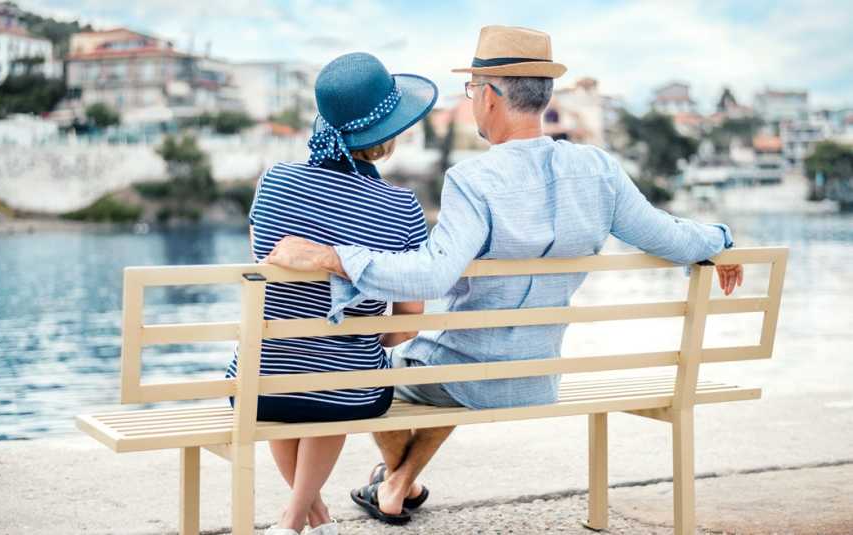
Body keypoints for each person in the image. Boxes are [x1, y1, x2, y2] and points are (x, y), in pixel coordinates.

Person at [264, 26, 745, 524]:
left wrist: (334, 258)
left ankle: (393, 480)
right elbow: (671, 237)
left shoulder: (474, 179)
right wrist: (721, 241)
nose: (472, 102)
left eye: (472, 91)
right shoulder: (599, 169)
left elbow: (431, 275)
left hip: (469, 376)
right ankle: (398, 484)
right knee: (443, 362)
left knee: (387, 372)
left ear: (490, 96)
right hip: (540, 375)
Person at [224, 52, 437, 535]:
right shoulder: (401, 207)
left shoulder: (273, 181)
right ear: (385, 133)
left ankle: (305, 513)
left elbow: (264, 278)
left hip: (259, 385)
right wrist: (369, 337)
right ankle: (295, 518)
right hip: (348, 395)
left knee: (292, 365)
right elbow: (405, 327)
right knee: (342, 370)